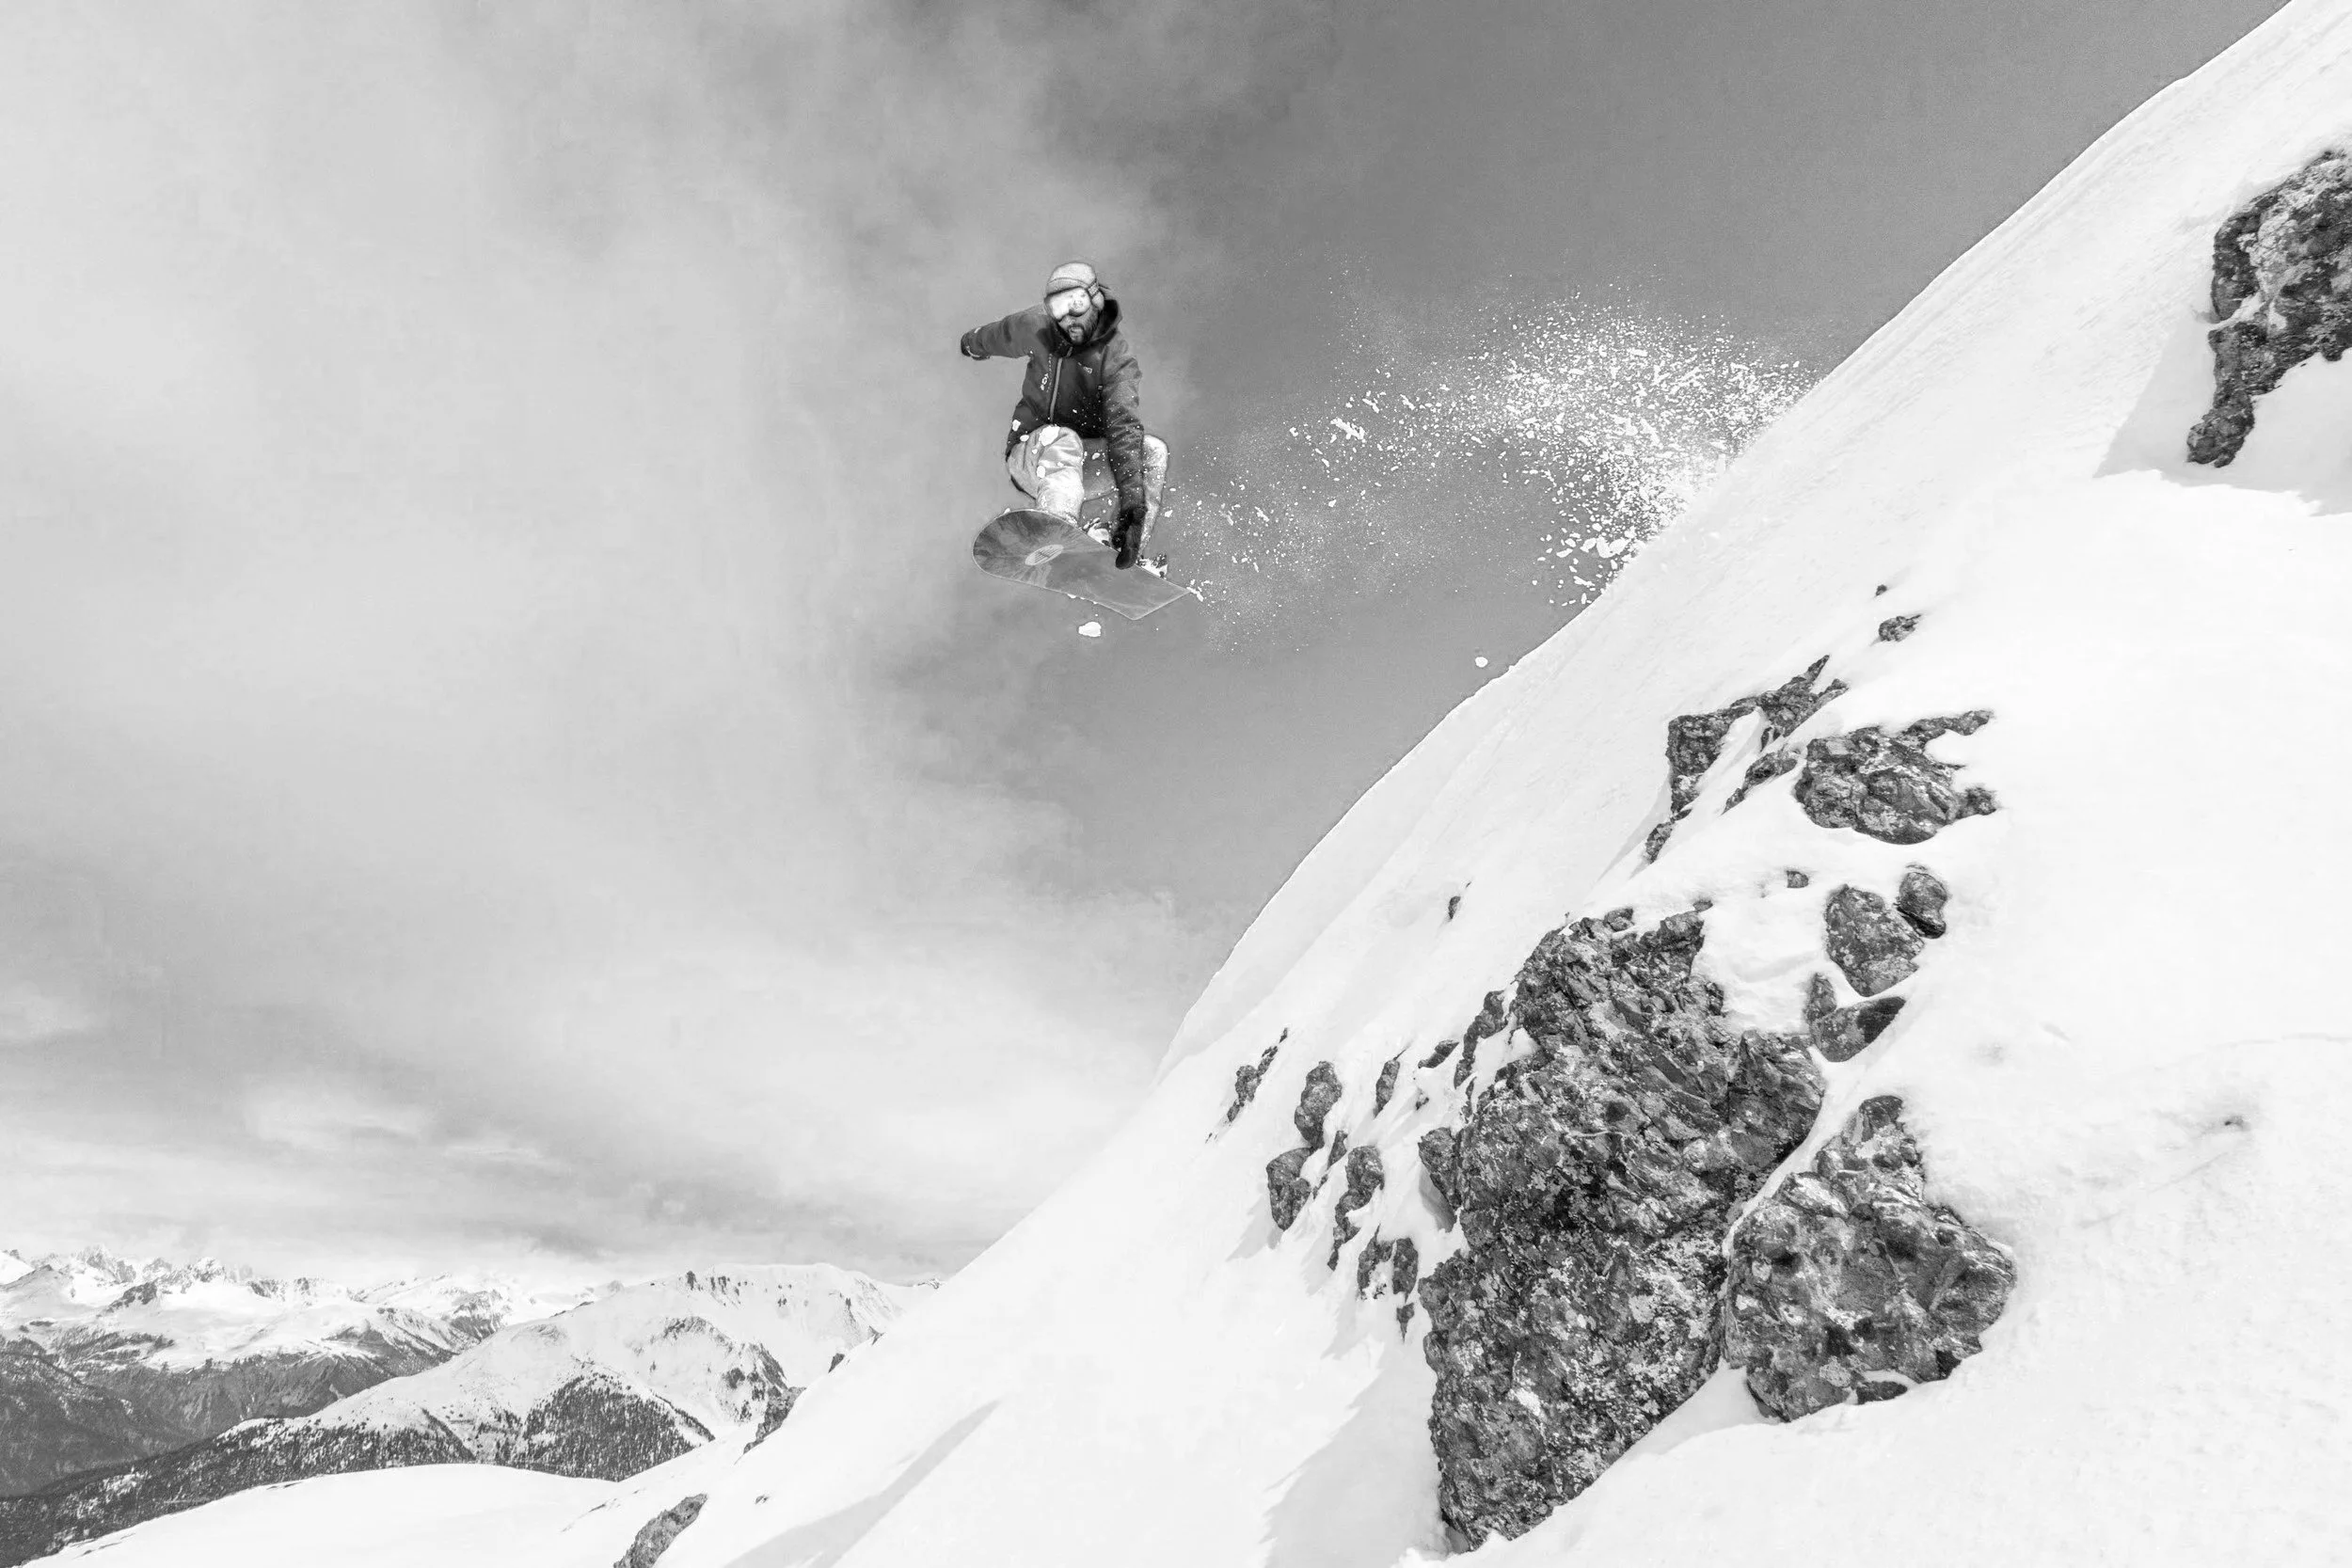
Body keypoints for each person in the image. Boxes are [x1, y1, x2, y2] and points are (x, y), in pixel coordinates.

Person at [961, 261, 1168, 570]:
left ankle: (1124, 547)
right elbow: (1001, 334)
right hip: (1032, 456)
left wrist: (1132, 502)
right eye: (1056, 308)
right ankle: (1056, 525)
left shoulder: (1116, 360)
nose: (1067, 318)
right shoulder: (1037, 327)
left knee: (1152, 452)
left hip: (1080, 467)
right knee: (1062, 437)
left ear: (1095, 300)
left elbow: (1123, 426)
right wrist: (972, 343)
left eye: (1075, 304)